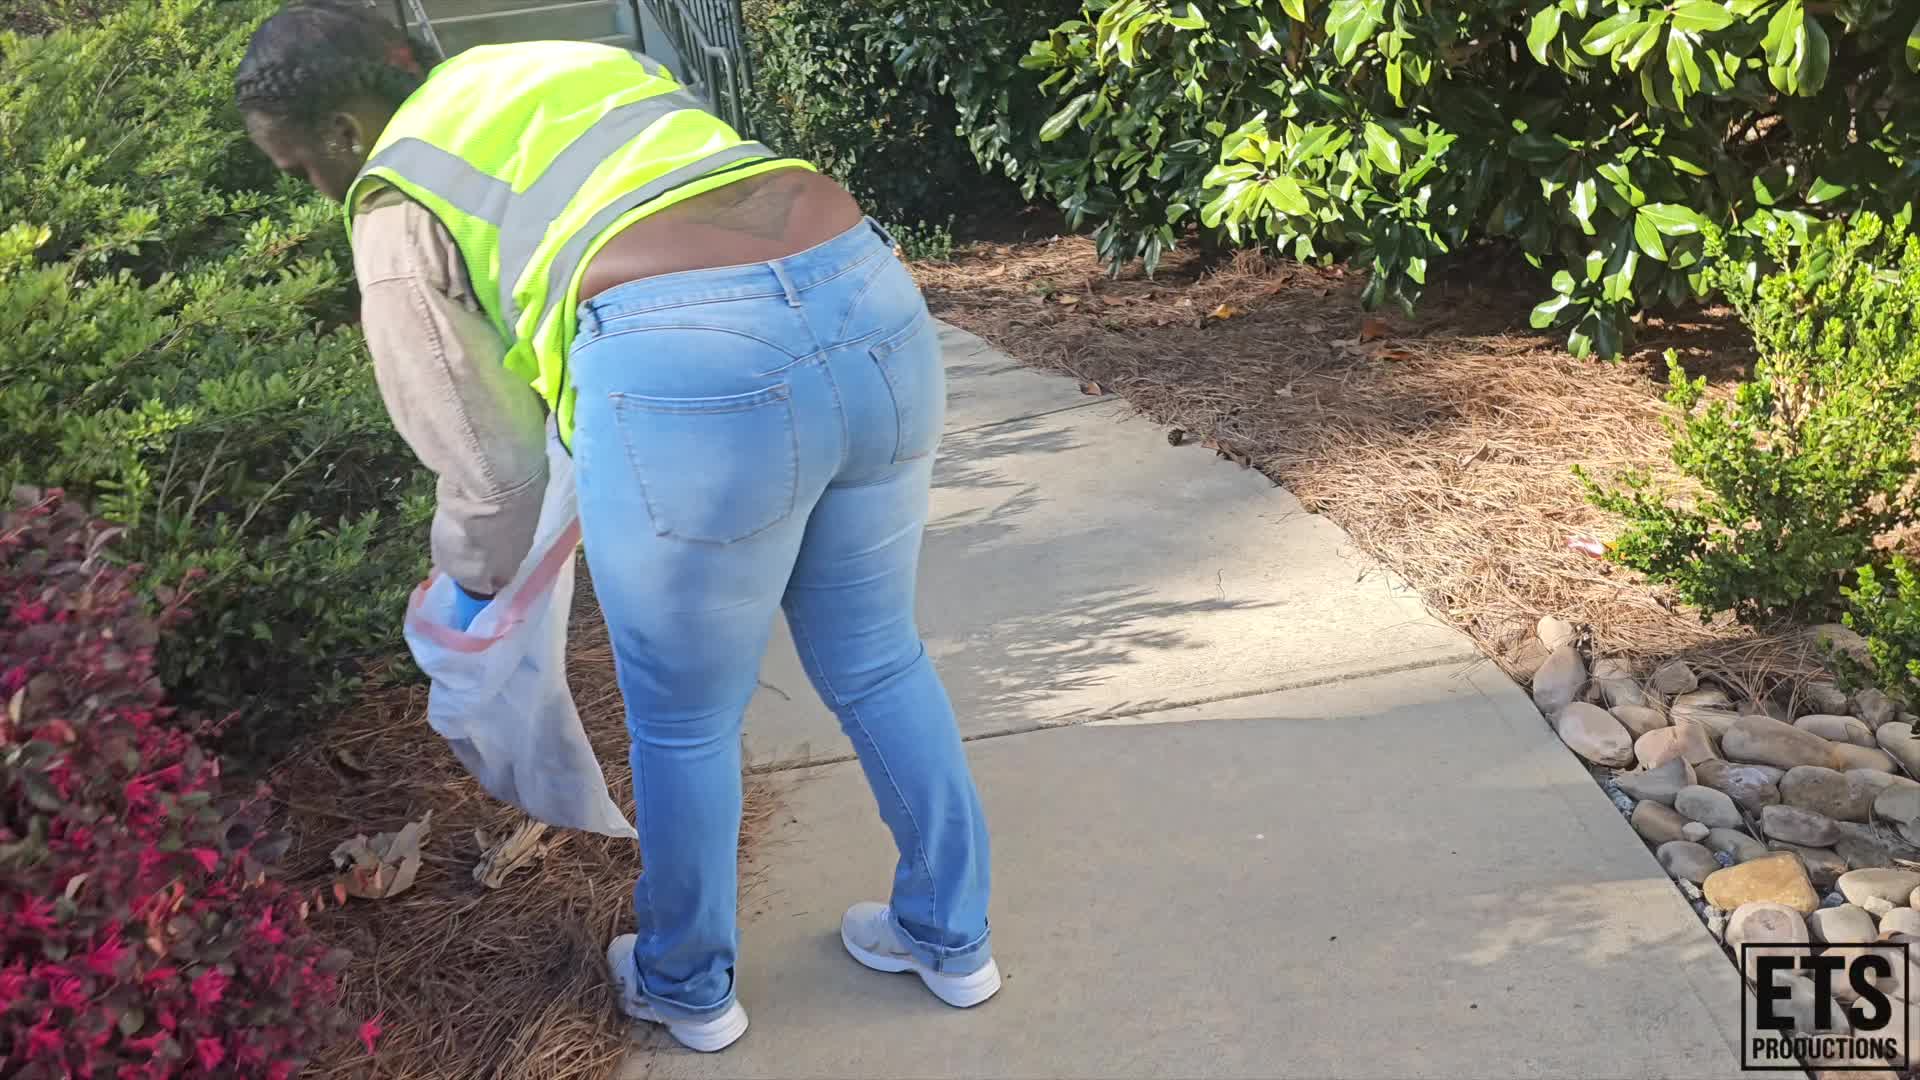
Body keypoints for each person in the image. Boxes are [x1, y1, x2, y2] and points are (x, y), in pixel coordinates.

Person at [234, 2, 995, 1052]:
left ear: (343, 130)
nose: (315, 190)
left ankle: (687, 985)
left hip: (691, 366)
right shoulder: (553, 65)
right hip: (867, 293)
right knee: (878, 659)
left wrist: (469, 598)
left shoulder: (396, 195)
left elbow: (493, 473)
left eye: (301, 168)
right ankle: (953, 938)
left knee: (686, 721)